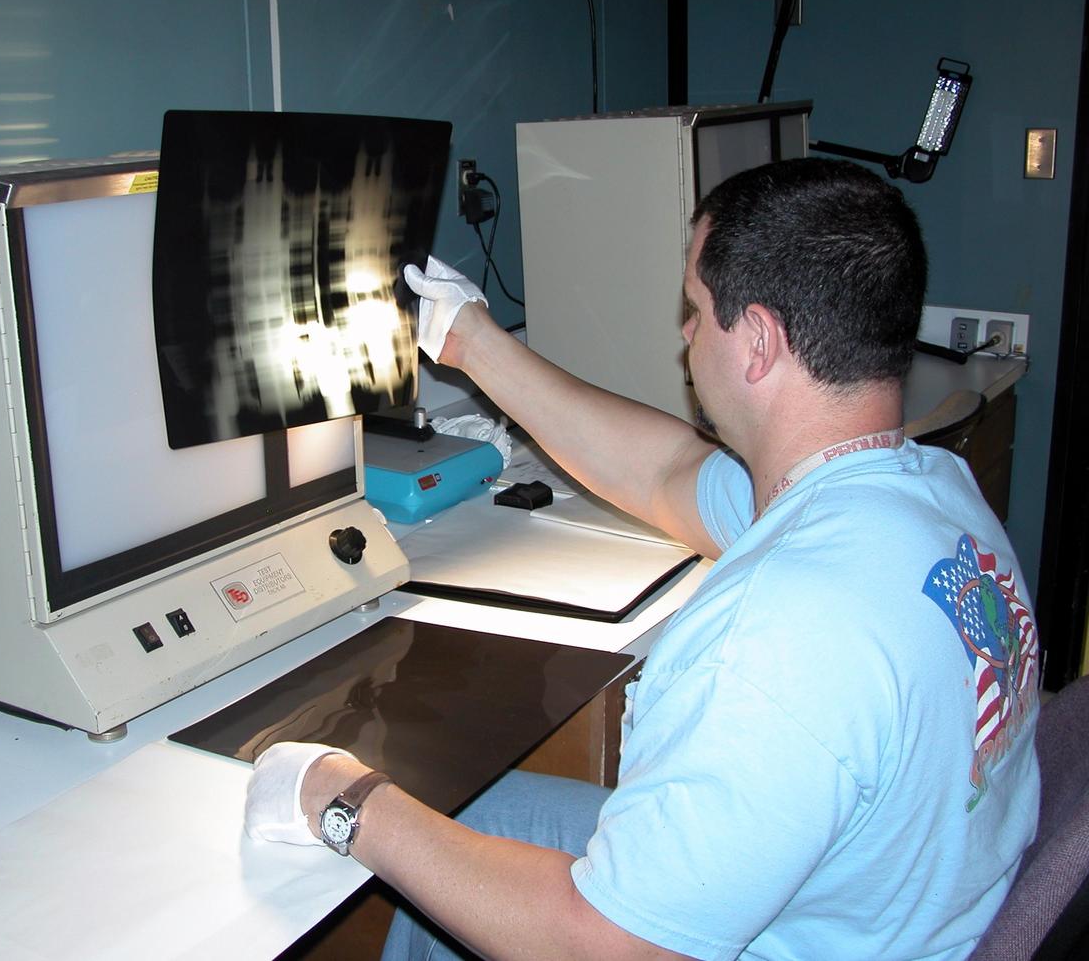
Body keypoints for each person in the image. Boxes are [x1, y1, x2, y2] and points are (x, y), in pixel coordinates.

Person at [244, 158, 1041, 960]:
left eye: (694, 310)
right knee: (465, 811)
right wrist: (474, 342)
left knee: (400, 815)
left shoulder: (774, 642)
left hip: (732, 941)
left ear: (759, 340)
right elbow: (663, 473)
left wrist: (344, 798)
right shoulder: (923, 491)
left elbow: (606, 948)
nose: (685, 334)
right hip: (881, 901)